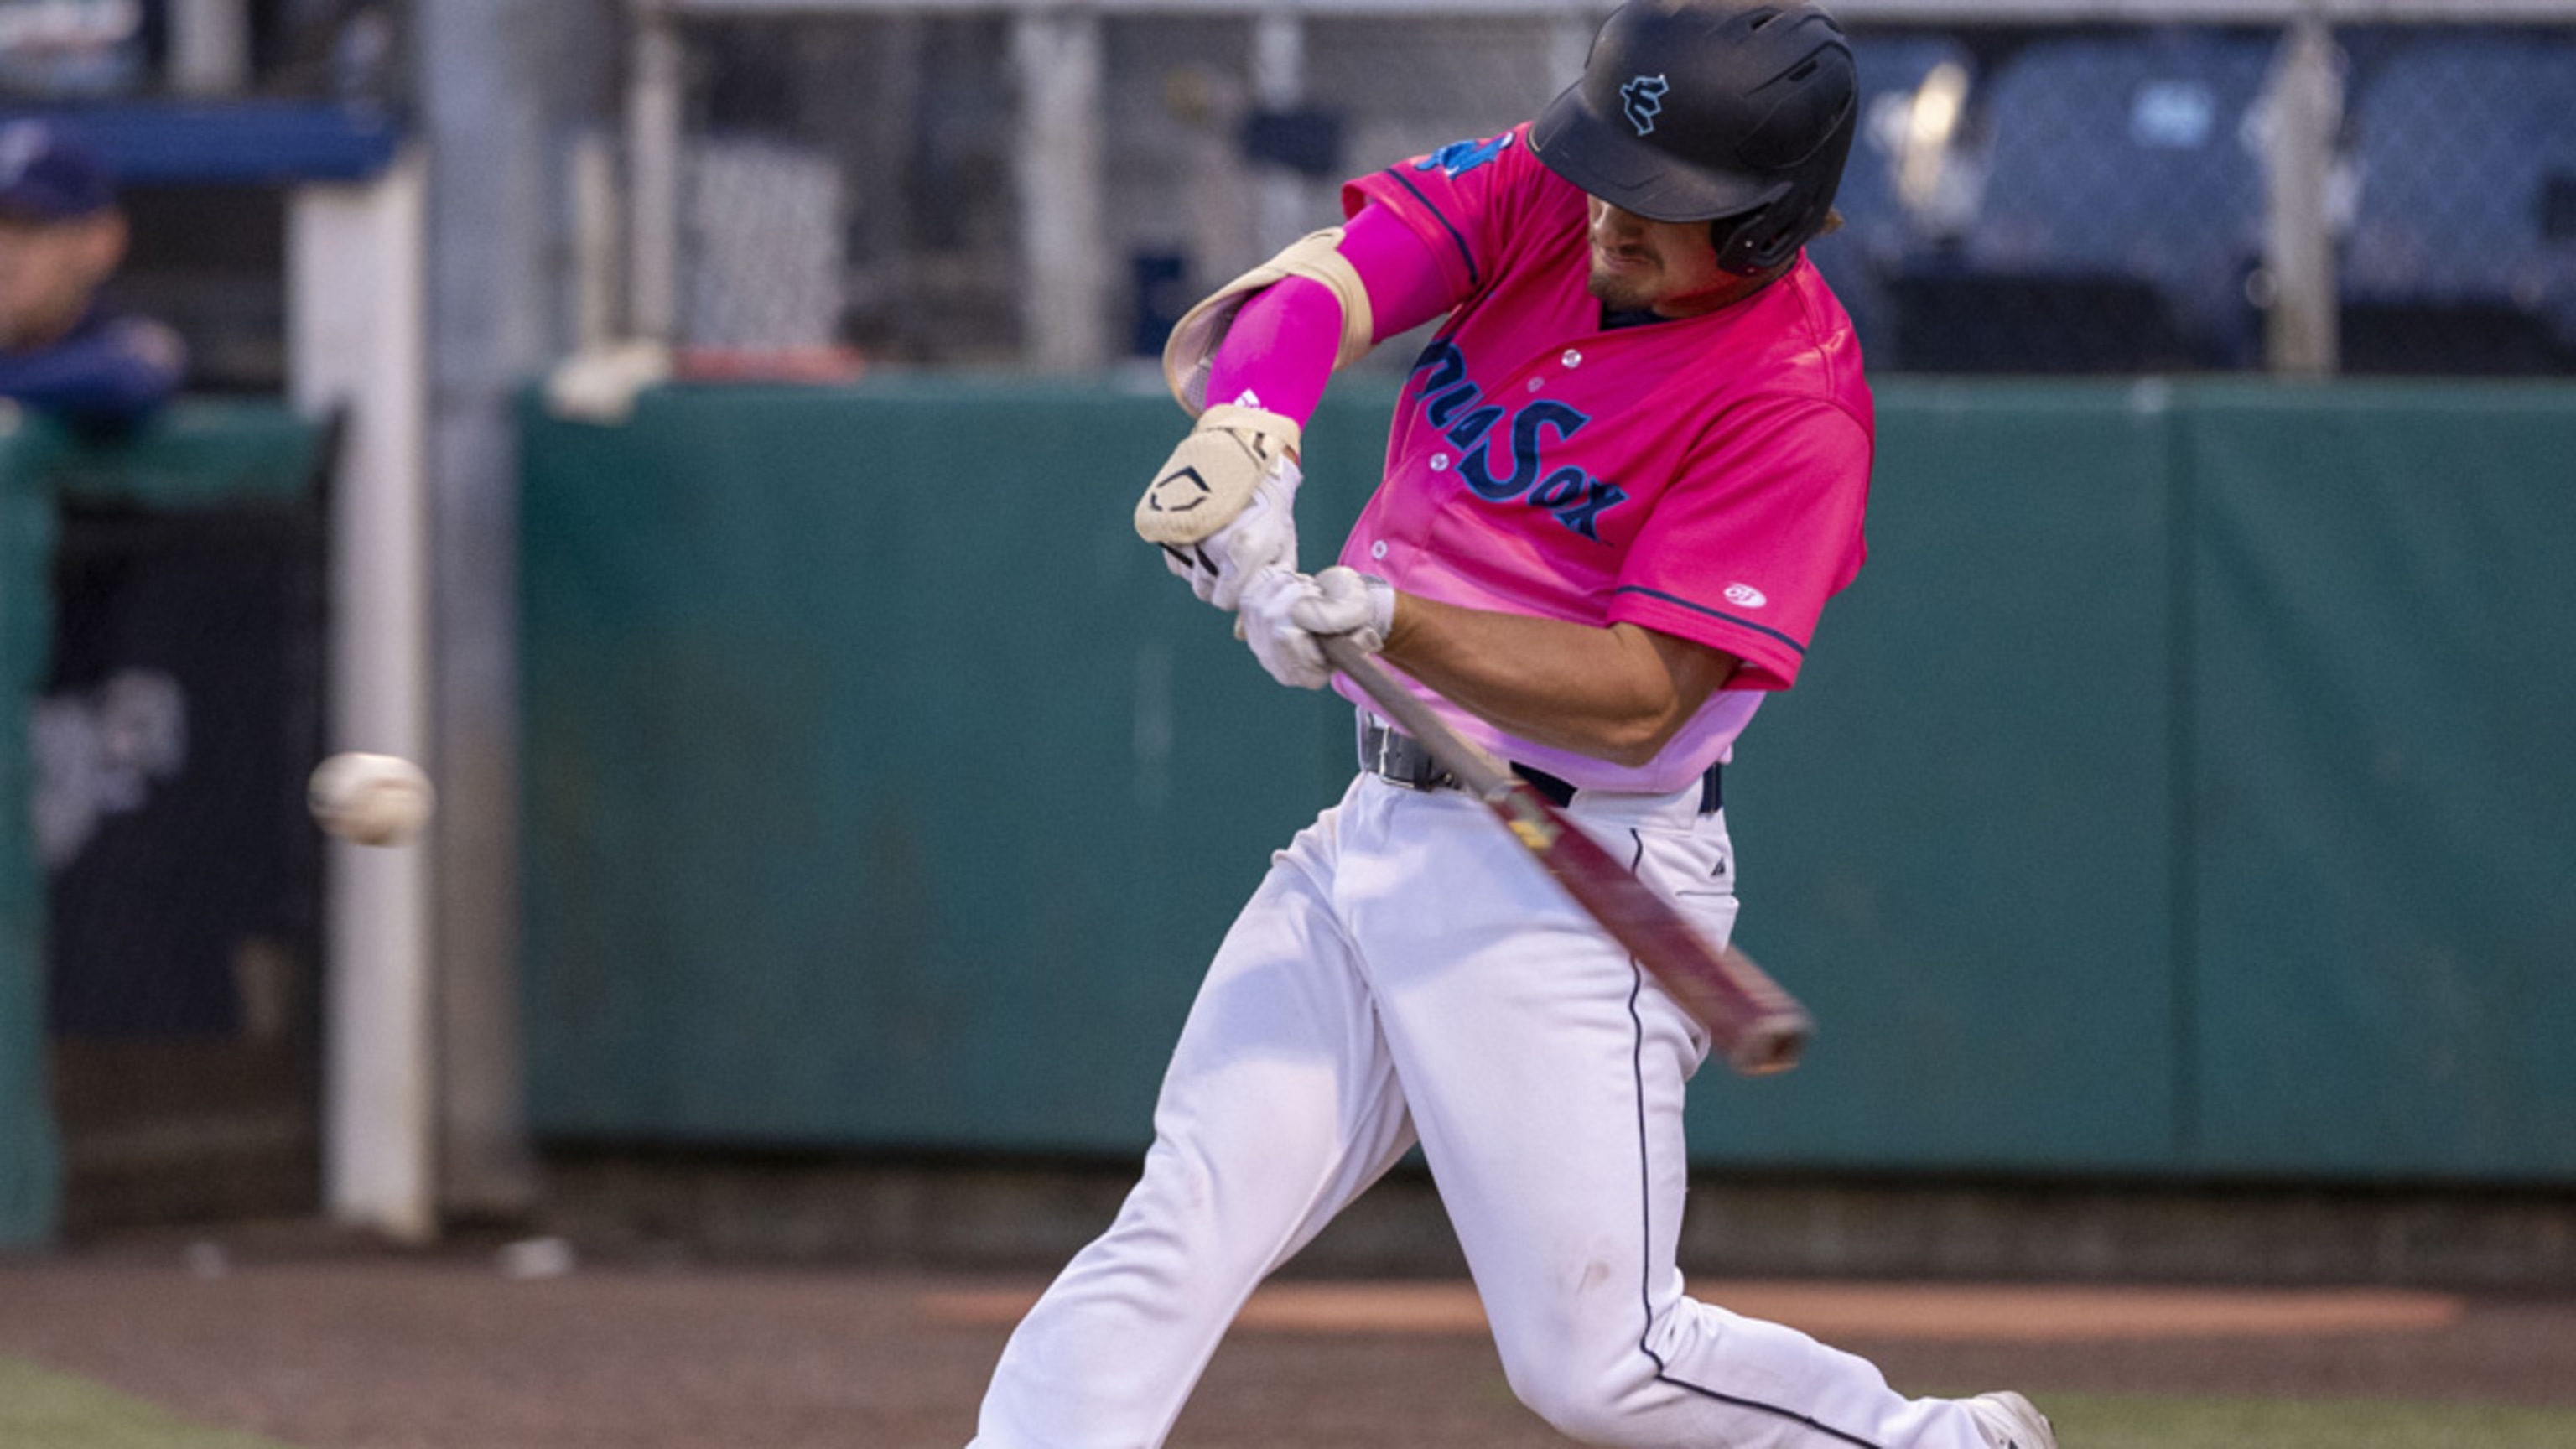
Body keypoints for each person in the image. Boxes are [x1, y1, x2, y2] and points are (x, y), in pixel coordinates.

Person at [971, 3, 2055, 1446]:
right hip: (1377, 832)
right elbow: (1324, 287)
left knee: (1599, 1361)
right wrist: (1250, 437)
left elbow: (1638, 697)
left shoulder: (1794, 402)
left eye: (1666, 205)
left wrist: (1386, 621)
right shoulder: (1565, 193)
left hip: (1565, 873)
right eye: (1614, 171)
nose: (1616, 212)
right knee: (1182, 1220)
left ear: (1772, 224)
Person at [0, 117, 184, 431]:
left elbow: (123, 379)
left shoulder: (118, 345)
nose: (4, 252)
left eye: (29, 227)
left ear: (101, 240)